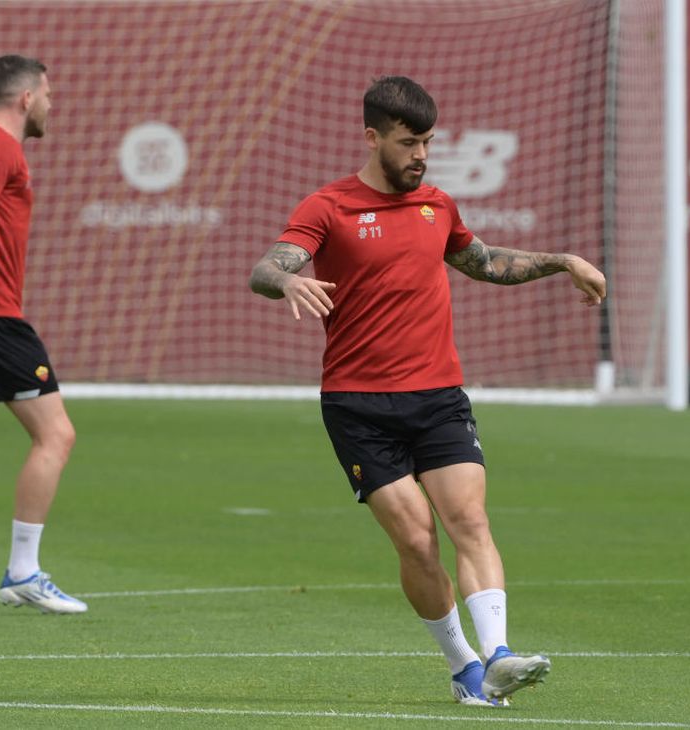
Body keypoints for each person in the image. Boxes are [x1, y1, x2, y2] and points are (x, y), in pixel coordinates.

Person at [249, 76, 606, 705]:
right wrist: (288, 282)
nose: (420, 155)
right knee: (416, 541)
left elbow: (484, 262)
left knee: (469, 519)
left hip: (439, 395)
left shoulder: (437, 206)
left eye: (428, 142)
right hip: (358, 405)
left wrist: (564, 261)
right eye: (408, 142)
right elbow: (266, 267)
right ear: (372, 137)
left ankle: (499, 656)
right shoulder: (328, 207)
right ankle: (463, 664)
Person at [0, 55, 86, 614]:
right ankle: (23, 571)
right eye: (47, 93)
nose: (50, 103)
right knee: (56, 434)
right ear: (26, 98)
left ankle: (22, 572)